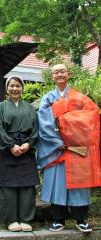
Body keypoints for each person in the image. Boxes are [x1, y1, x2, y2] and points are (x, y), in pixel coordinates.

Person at [37, 63, 101, 233]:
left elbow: (91, 116)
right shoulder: (48, 98)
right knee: (57, 184)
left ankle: (81, 219)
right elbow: (43, 122)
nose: (59, 74)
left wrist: (68, 124)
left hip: (76, 148)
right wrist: (58, 141)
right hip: (57, 148)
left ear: (69, 74)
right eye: (56, 72)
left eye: (62, 71)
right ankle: (59, 219)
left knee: (79, 186)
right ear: (52, 77)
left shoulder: (80, 98)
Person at [0, 76, 39, 232]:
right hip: (8, 148)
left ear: (22, 88)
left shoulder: (30, 108)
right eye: (11, 86)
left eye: (18, 86)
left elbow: (36, 128)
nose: (14, 88)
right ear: (7, 89)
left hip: (26, 147)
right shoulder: (0, 107)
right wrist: (10, 145)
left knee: (27, 185)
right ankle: (11, 219)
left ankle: (26, 219)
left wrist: (28, 144)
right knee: (9, 185)